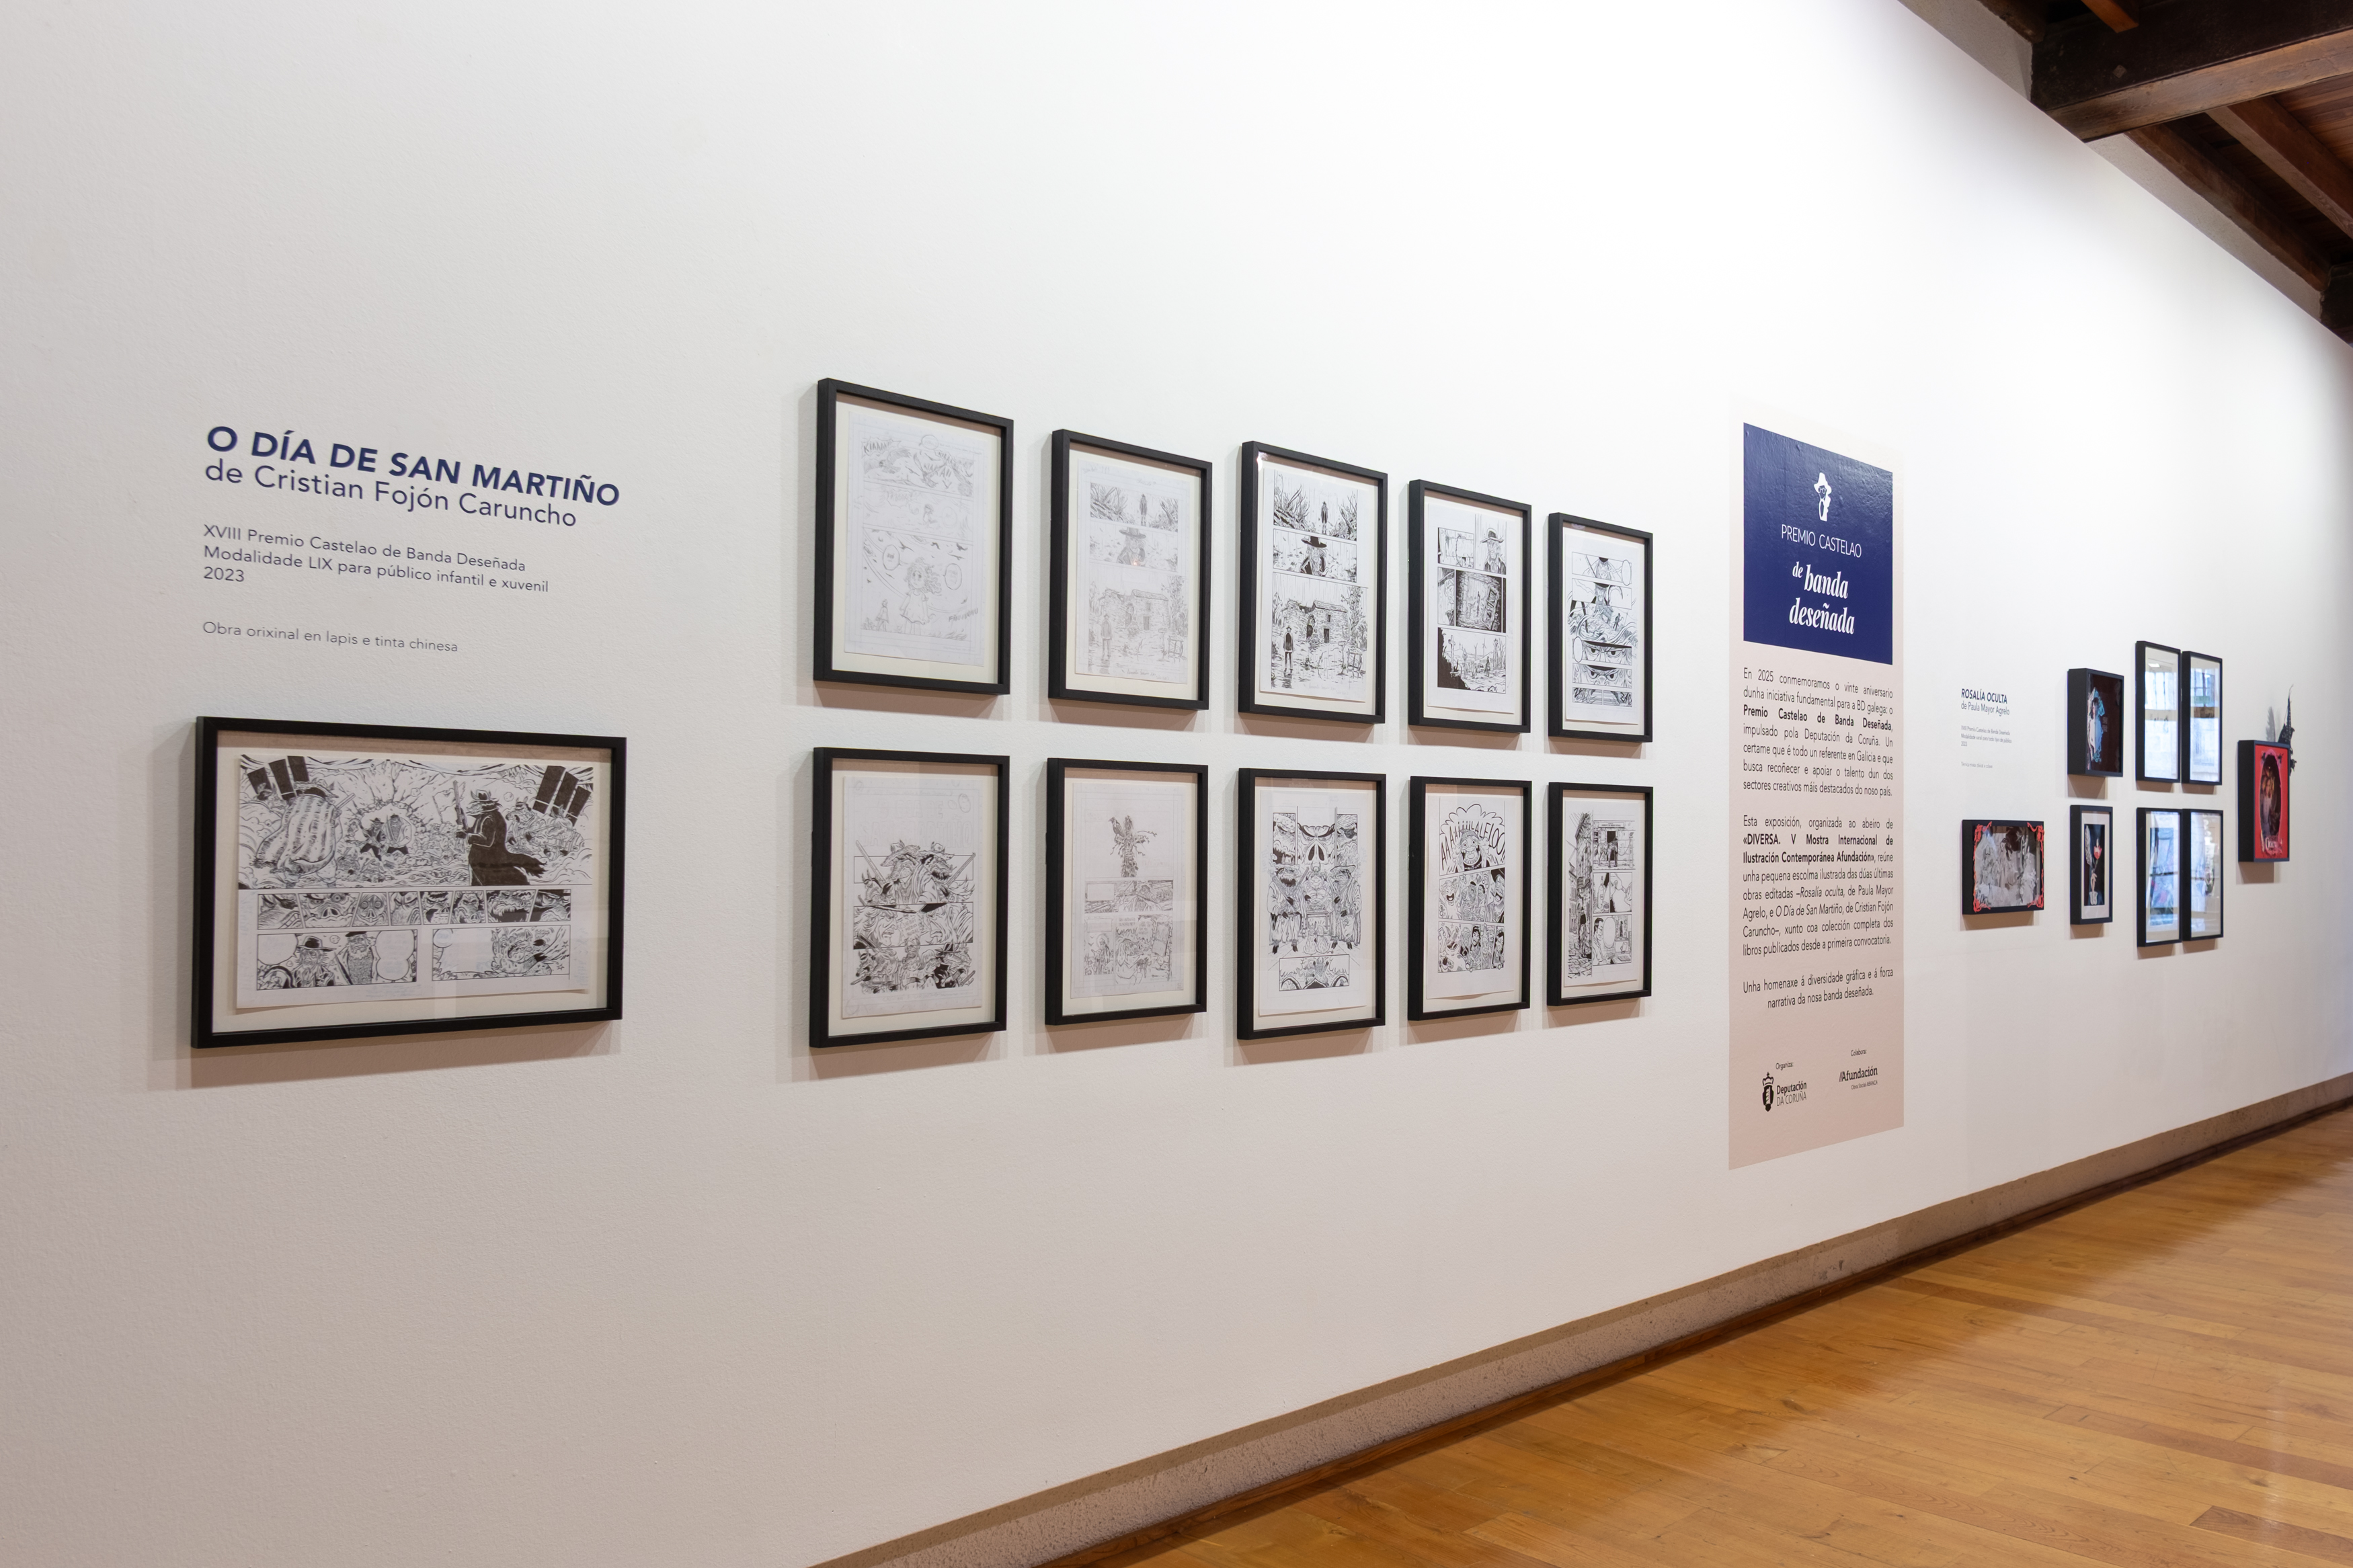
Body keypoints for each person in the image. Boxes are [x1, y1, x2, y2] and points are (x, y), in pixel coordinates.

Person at [465, 791, 545, 886]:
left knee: (489, 883)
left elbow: (487, 841)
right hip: (481, 858)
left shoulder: (490, 818)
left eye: (476, 804)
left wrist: (467, 836)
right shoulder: (485, 816)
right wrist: (466, 829)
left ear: (483, 805)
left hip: (487, 859)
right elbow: (478, 831)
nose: (472, 807)